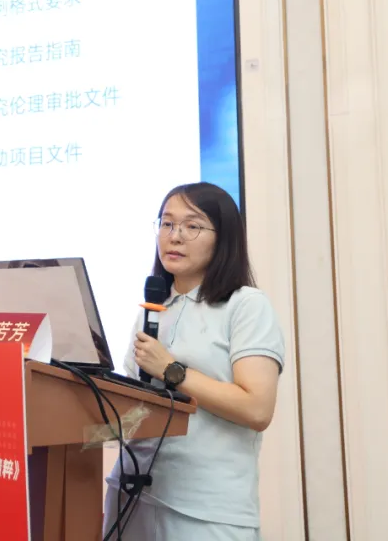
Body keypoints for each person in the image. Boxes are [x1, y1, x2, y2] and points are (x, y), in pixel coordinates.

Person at [103, 182, 284, 541]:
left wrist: (172, 371)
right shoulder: (153, 310)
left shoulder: (245, 305)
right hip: (131, 494)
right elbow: (137, 410)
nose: (175, 236)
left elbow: (257, 409)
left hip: (205, 508)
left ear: (223, 238)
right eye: (167, 223)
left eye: (192, 226)